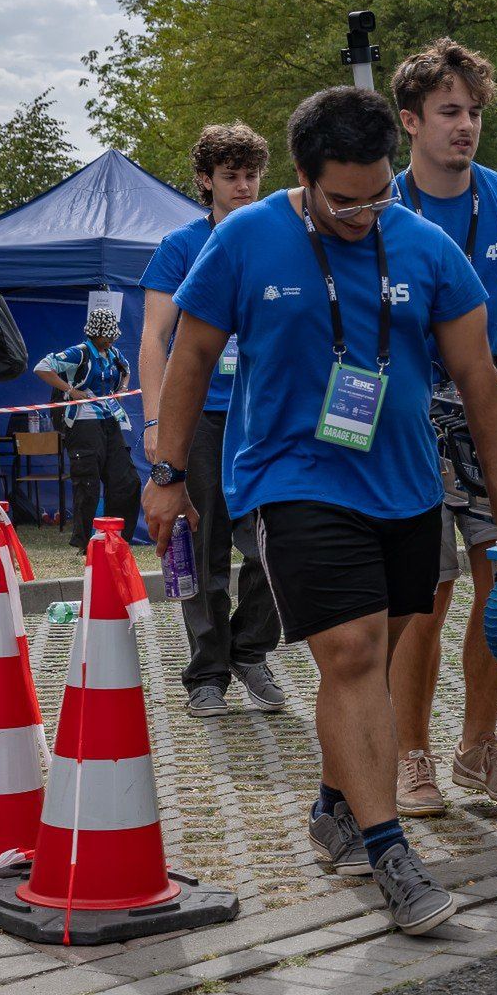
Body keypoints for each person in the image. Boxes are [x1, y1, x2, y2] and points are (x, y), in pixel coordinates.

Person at [143, 86, 497, 936]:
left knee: (376, 660)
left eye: (378, 193)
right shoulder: (246, 238)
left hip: (407, 486)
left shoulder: (422, 247)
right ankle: (392, 855)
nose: (362, 214)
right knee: (350, 652)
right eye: (342, 200)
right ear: (304, 180)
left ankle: (334, 804)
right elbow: (191, 351)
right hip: (291, 476)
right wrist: (165, 470)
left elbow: (477, 377)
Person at [385, 40, 497, 817]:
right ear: (410, 120)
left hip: (494, 411)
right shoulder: (379, 207)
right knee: (424, 594)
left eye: (474, 112)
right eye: (450, 112)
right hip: (408, 418)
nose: (466, 126)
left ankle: (477, 747)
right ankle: (408, 757)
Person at [139, 122, 284, 719]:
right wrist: (155, 422)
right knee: (201, 547)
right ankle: (207, 671)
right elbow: (154, 336)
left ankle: (251, 650)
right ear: (206, 180)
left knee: (275, 541)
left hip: (266, 414)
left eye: (252, 175)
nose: (245, 186)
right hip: (200, 417)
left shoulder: (279, 237)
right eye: (232, 176)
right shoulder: (180, 246)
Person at [35, 307, 142, 548]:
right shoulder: (79, 353)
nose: (113, 339)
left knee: (127, 480)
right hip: (83, 424)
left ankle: (118, 537)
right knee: (88, 483)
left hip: (110, 420)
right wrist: (70, 390)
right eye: (108, 335)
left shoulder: (113, 353)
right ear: (95, 334)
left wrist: (122, 390)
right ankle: (85, 543)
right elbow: (42, 367)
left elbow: (126, 370)